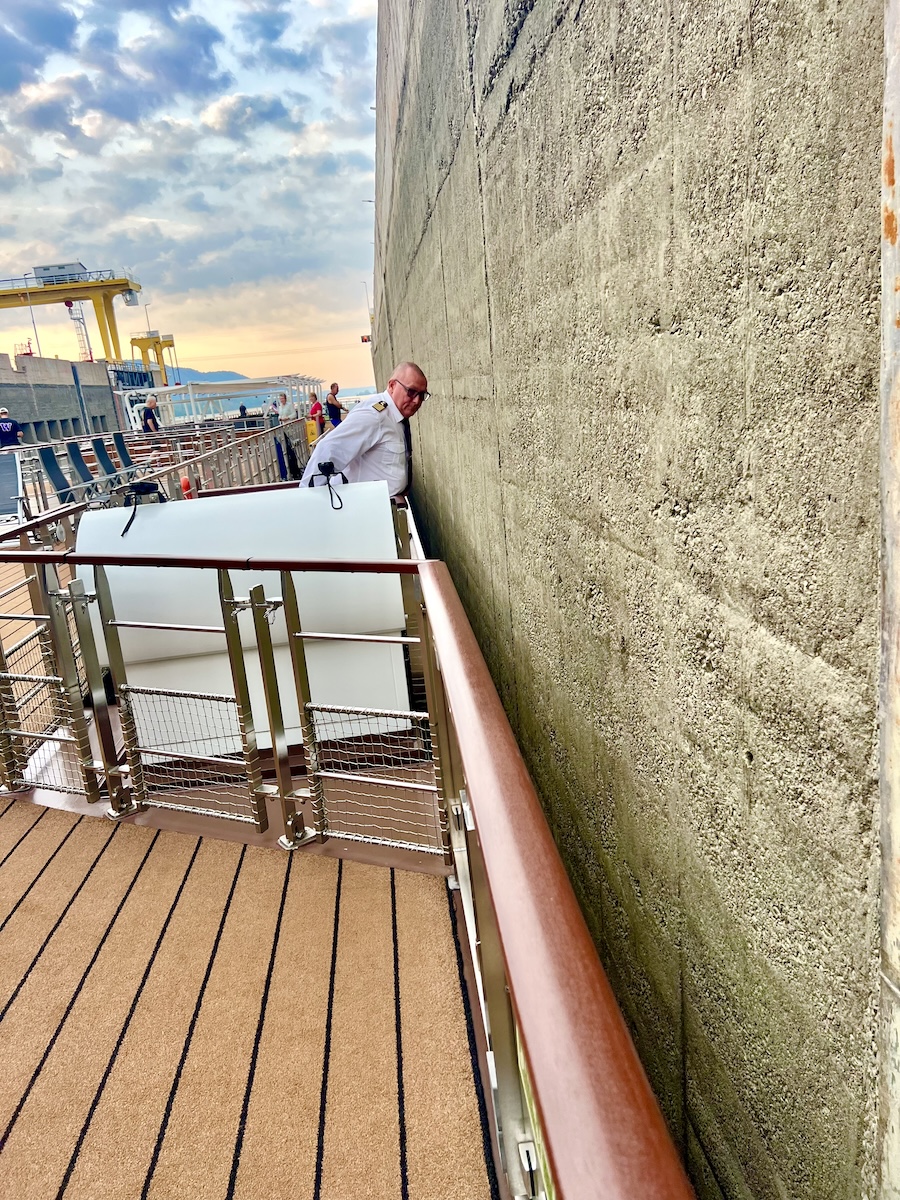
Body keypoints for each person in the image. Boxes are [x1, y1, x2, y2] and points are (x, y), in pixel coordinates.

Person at [300, 362, 429, 498]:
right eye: (411, 392)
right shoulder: (374, 415)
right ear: (392, 386)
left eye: (422, 395)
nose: (416, 401)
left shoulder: (396, 416)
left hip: (387, 504)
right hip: (368, 507)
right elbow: (327, 449)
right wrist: (310, 501)